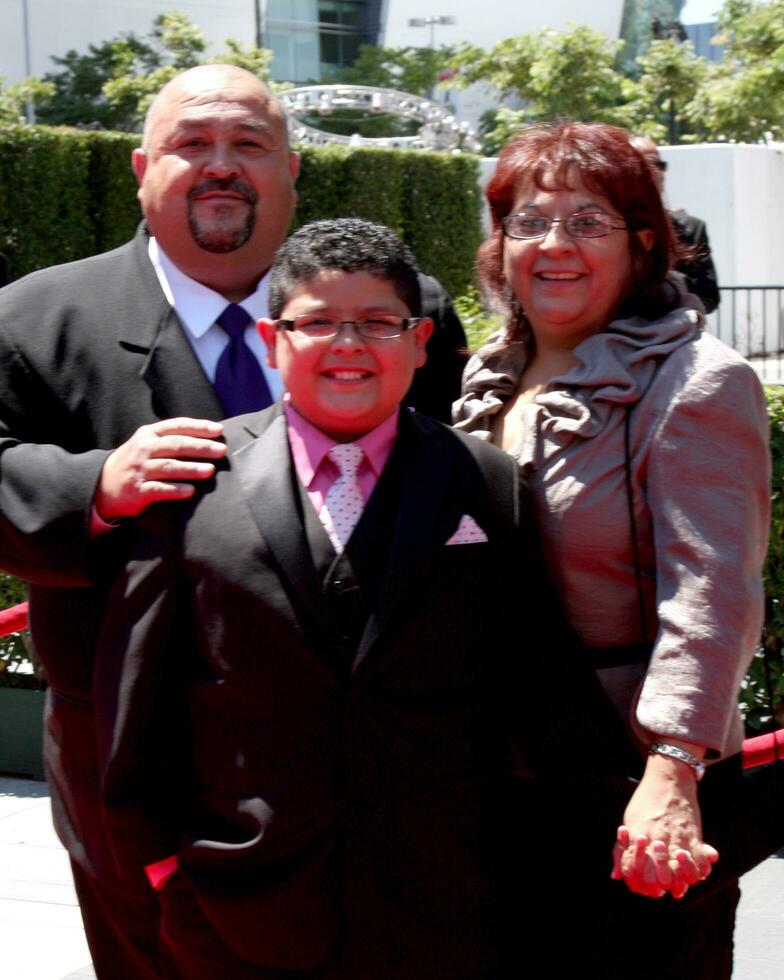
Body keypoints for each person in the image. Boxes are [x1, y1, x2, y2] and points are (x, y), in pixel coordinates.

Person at [0, 65, 465, 978]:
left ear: (293, 171)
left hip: (365, 765)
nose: (221, 167)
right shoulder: (35, 317)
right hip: (133, 764)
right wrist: (97, 485)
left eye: (248, 146)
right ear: (143, 168)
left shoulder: (408, 315)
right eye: (191, 145)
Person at [92, 217, 634, 978]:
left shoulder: (487, 482)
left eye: (378, 323)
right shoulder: (191, 483)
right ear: (272, 339)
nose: (349, 344)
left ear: (418, 341)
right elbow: (136, 692)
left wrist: (642, 805)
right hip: (234, 907)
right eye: (317, 322)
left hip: (444, 908)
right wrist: (159, 867)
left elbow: (541, 686)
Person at [454, 122, 770, 978]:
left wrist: (671, 771)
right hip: (499, 781)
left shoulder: (696, 381)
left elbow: (713, 596)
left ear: (642, 244)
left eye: (588, 222)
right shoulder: (485, 380)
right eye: (529, 221)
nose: (554, 244)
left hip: (626, 786)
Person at [631, 135, 721, 313]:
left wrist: (670, 282)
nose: (658, 172)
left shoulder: (691, 229)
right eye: (647, 164)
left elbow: (709, 297)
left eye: (660, 165)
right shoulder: (606, 229)